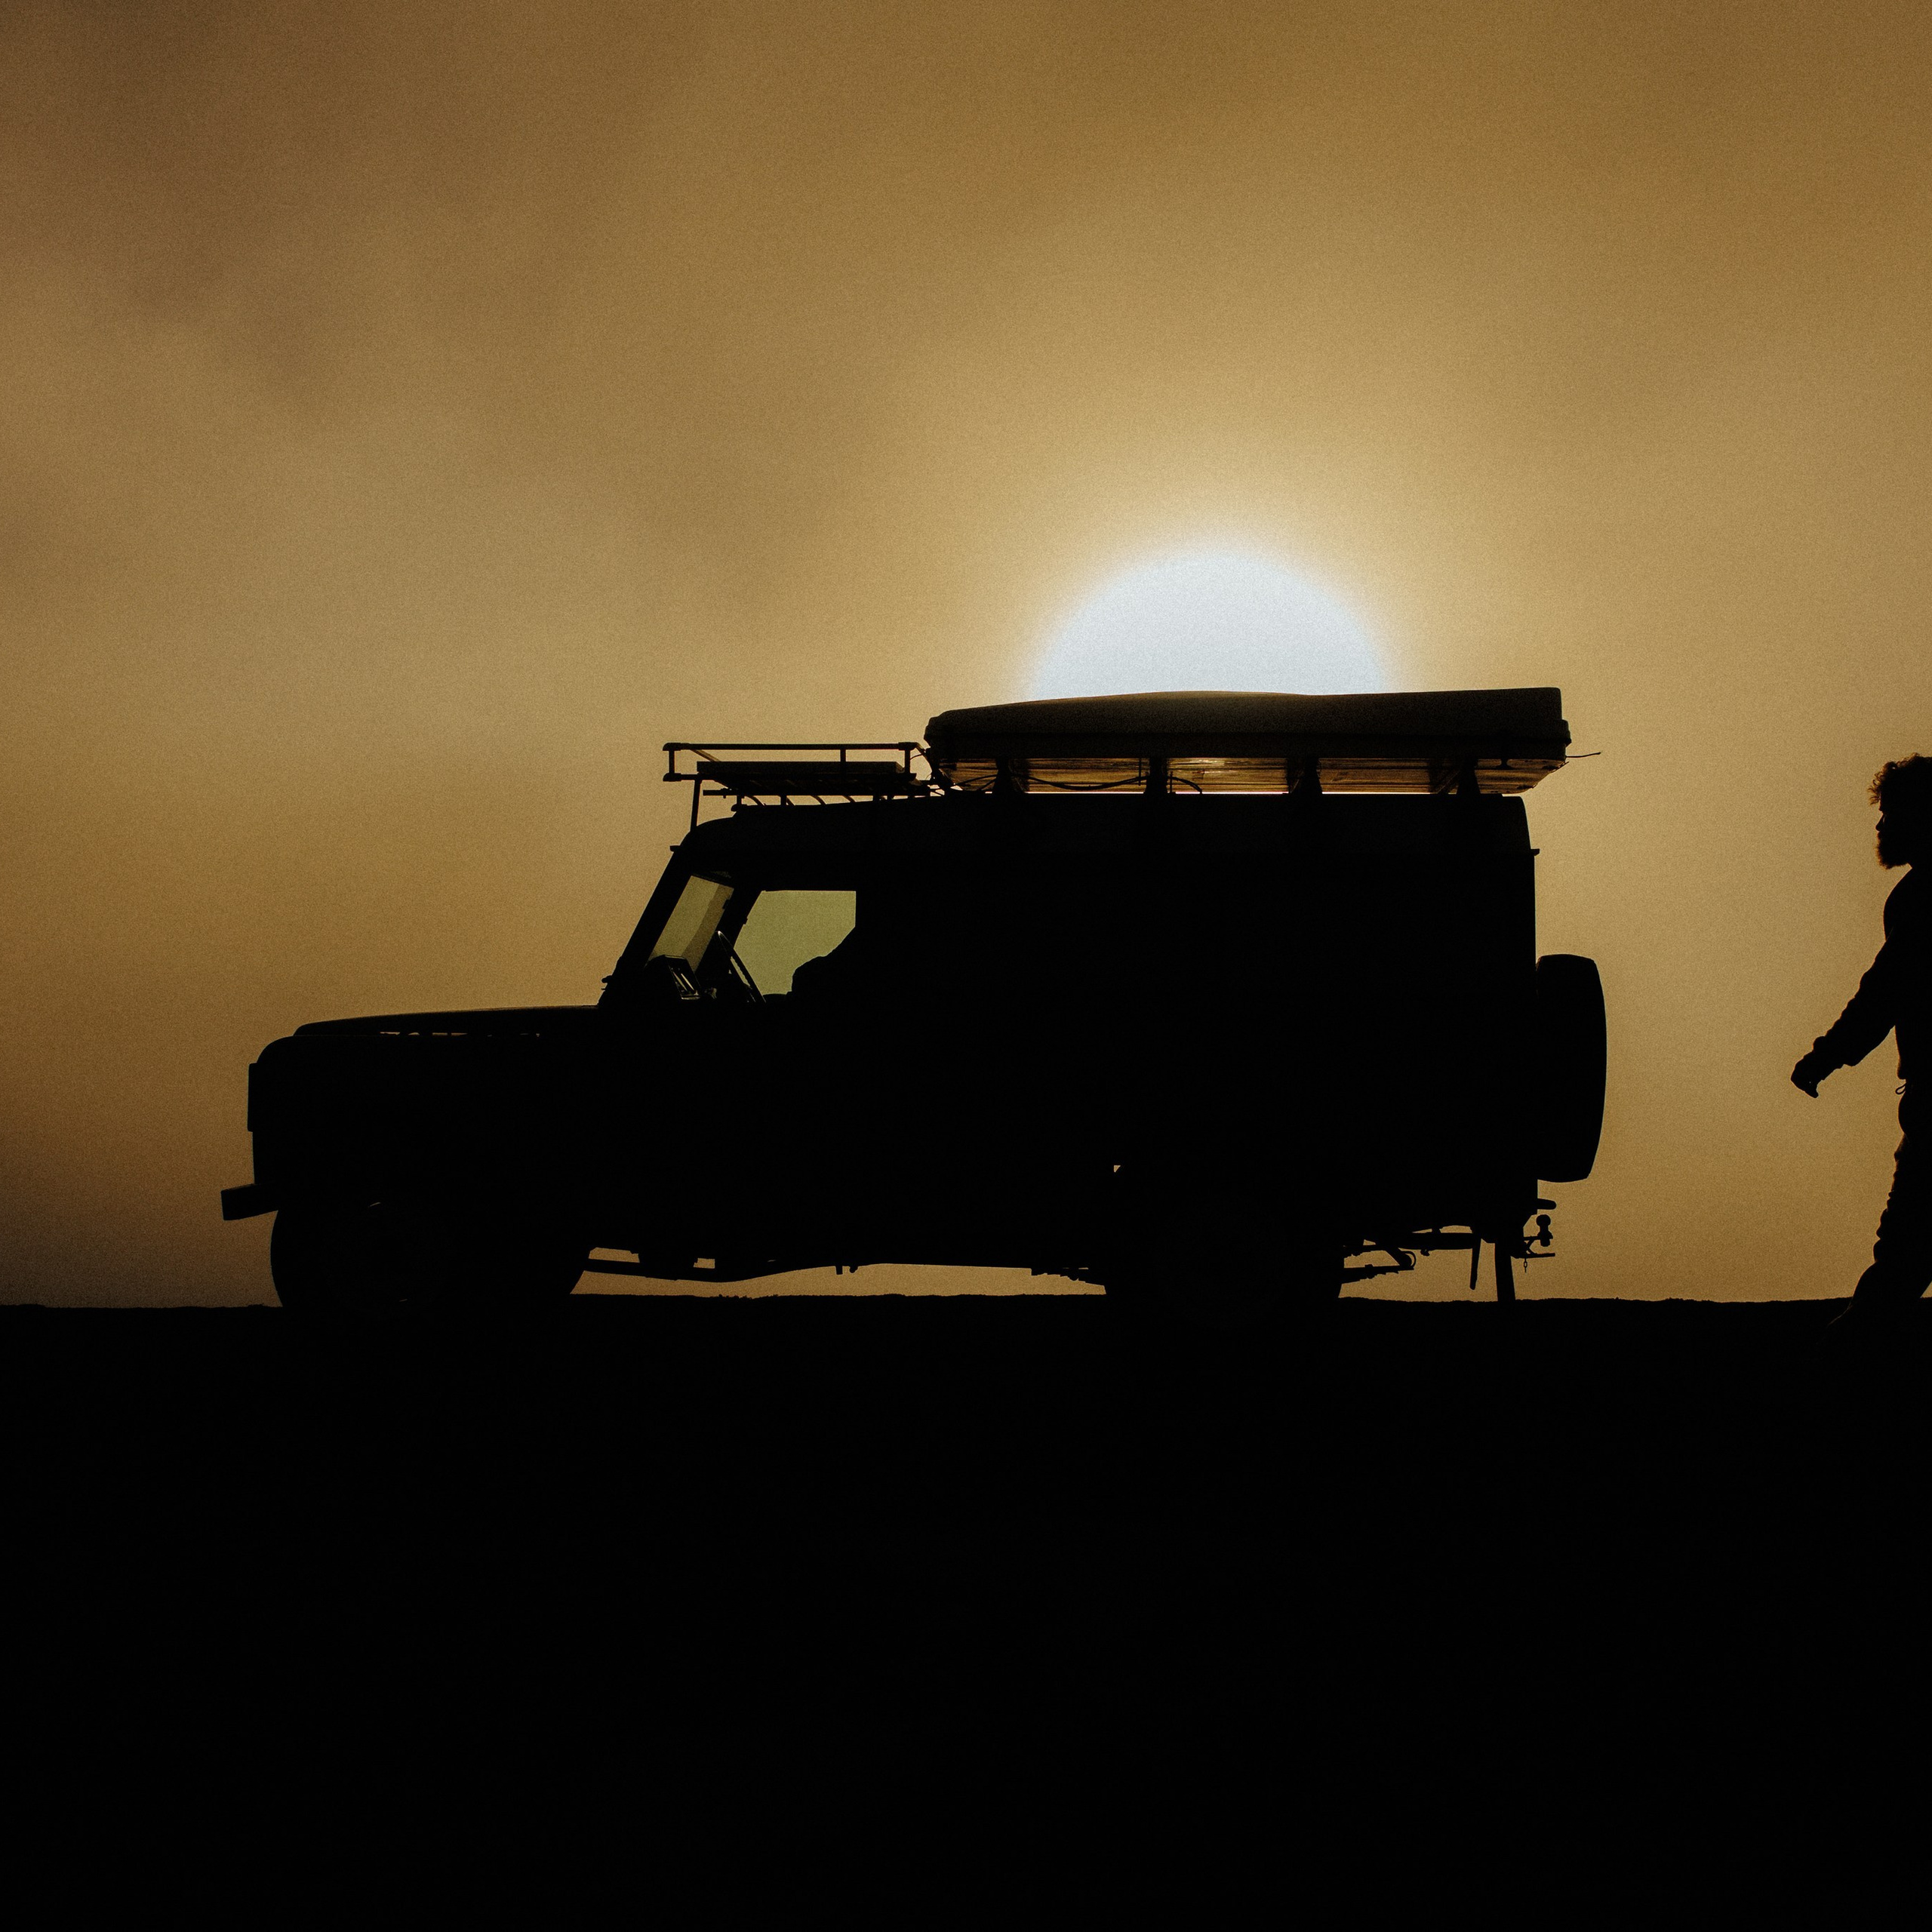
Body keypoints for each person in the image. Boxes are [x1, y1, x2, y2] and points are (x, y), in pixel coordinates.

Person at [1792, 755, 1932, 1314]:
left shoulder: (1921, 899)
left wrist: (1825, 1057)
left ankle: (1844, 1383)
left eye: (1890, 813)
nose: (1880, 827)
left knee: (1903, 1257)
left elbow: (1886, 992)